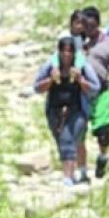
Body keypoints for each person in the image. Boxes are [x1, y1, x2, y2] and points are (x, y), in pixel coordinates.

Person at [33, 37, 100, 186]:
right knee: (61, 140)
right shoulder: (51, 66)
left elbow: (95, 89)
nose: (66, 55)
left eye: (70, 52)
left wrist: (80, 80)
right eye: (63, 51)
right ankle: (72, 170)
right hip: (55, 111)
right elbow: (37, 87)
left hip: (77, 111)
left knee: (68, 139)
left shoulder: (82, 67)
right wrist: (50, 80)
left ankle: (68, 177)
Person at [80, 6, 109, 180]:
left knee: (103, 130)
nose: (88, 29)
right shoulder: (78, 43)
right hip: (81, 93)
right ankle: (81, 167)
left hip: (101, 93)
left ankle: (102, 157)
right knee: (78, 130)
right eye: (85, 25)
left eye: (91, 25)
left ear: (98, 24)